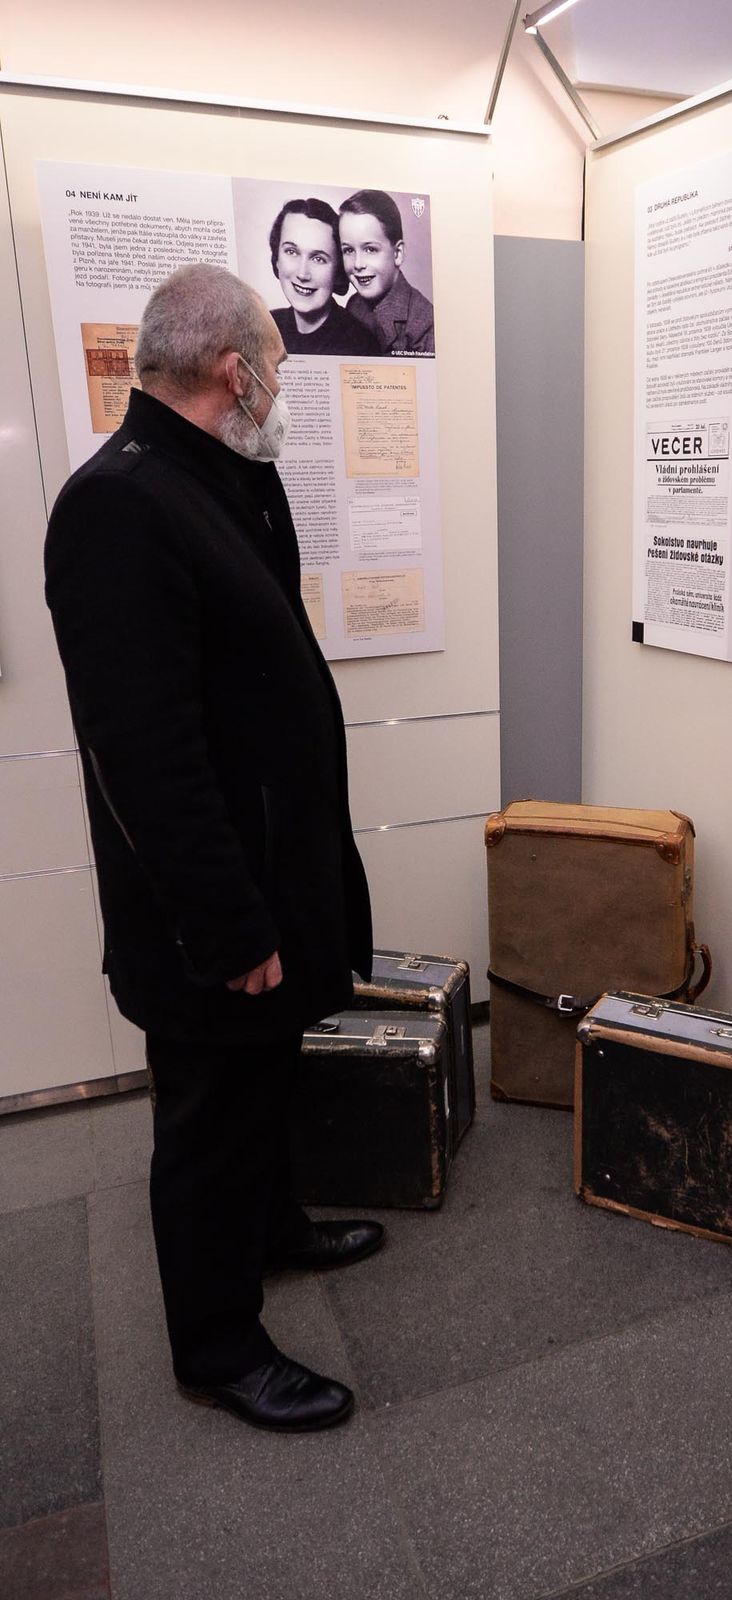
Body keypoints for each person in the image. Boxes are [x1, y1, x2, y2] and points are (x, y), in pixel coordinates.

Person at [44, 264, 381, 1434]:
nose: (281, 385)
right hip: (210, 905)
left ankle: (273, 1227)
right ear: (235, 372)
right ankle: (218, 1345)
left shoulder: (222, 476)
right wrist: (230, 924)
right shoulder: (118, 506)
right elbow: (146, 754)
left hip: (267, 868)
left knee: (263, 1078)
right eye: (277, 363)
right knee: (207, 1113)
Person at [268, 196, 380, 357]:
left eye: (318, 259)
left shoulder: (360, 345)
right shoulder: (266, 326)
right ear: (277, 258)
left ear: (338, 271)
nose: (302, 274)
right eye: (291, 252)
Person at [339, 189, 434, 355]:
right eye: (348, 250)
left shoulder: (424, 323)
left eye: (370, 249)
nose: (358, 264)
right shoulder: (354, 305)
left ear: (397, 254)